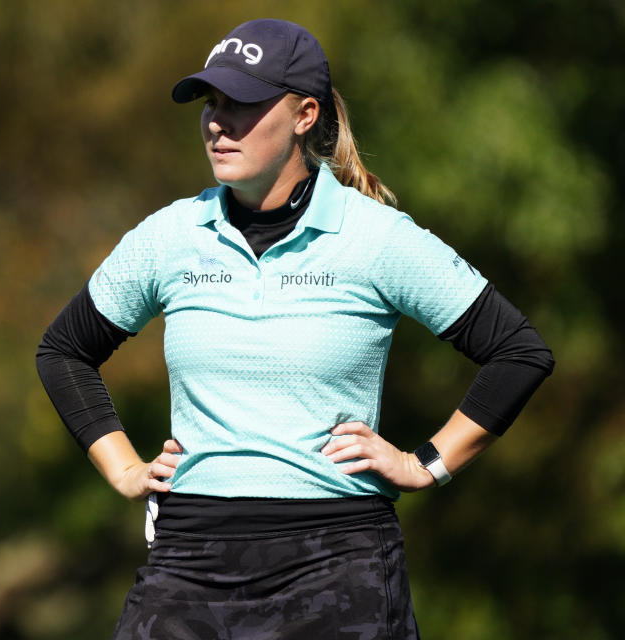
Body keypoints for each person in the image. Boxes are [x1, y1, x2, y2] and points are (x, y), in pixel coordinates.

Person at [36, 18, 554, 639]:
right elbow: (64, 351)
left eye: (242, 104)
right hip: (189, 562)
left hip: (339, 567)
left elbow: (518, 353)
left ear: (305, 114)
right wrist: (122, 466)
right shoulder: (170, 237)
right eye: (212, 103)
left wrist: (425, 464)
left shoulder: (376, 238)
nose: (217, 122)